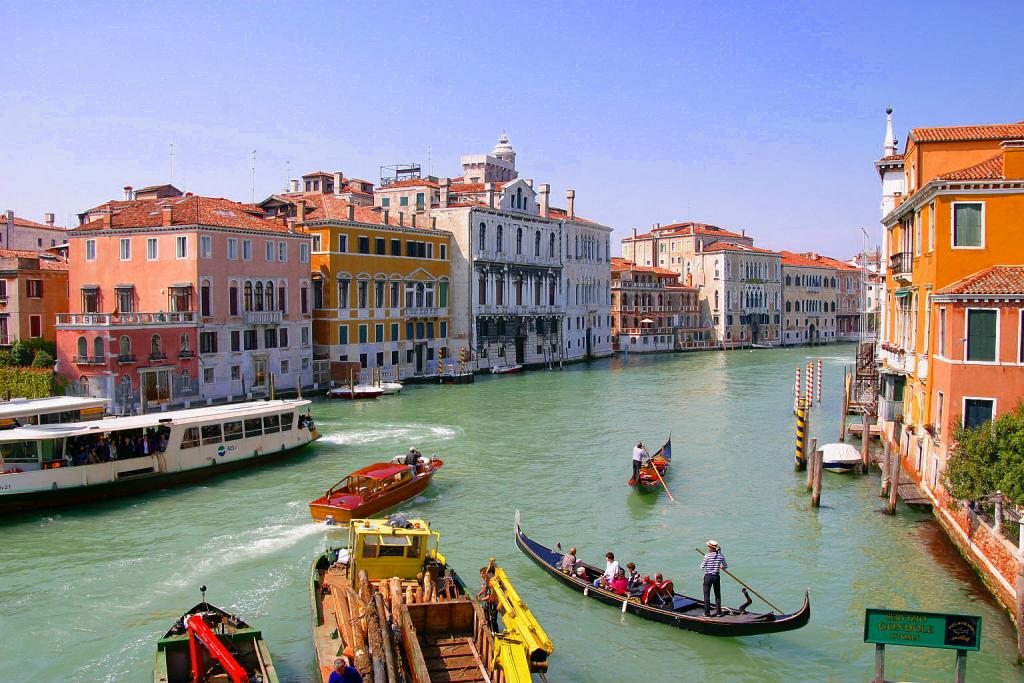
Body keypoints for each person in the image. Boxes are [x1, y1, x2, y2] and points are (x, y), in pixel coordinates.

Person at [700, 540, 727, 617]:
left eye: (708, 546)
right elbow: (725, 566)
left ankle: (707, 613)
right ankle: (718, 613)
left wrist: (706, 560)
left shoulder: (707, 556)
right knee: (717, 594)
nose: (707, 547)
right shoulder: (720, 556)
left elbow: (701, 567)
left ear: (710, 547)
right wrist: (721, 566)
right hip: (716, 577)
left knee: (706, 595)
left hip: (708, 577)